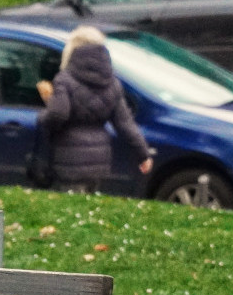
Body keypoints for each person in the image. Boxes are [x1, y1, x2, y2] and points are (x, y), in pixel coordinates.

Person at [35, 25, 153, 193]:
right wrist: (144, 154)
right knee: (89, 206)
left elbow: (58, 114)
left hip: (69, 158)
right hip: (99, 161)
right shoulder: (113, 83)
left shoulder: (65, 79)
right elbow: (125, 123)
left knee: (67, 208)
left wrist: (42, 118)